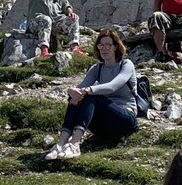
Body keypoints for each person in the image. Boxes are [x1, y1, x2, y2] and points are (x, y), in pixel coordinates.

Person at [44, 28, 138, 159]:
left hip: (125, 118)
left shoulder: (126, 65)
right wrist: (71, 91)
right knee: (78, 97)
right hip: (103, 123)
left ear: (116, 47)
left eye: (108, 45)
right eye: (101, 45)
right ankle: (61, 143)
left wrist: (88, 90)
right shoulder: (97, 68)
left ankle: (75, 144)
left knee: (91, 95)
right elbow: (80, 88)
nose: (104, 49)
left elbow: (112, 86)